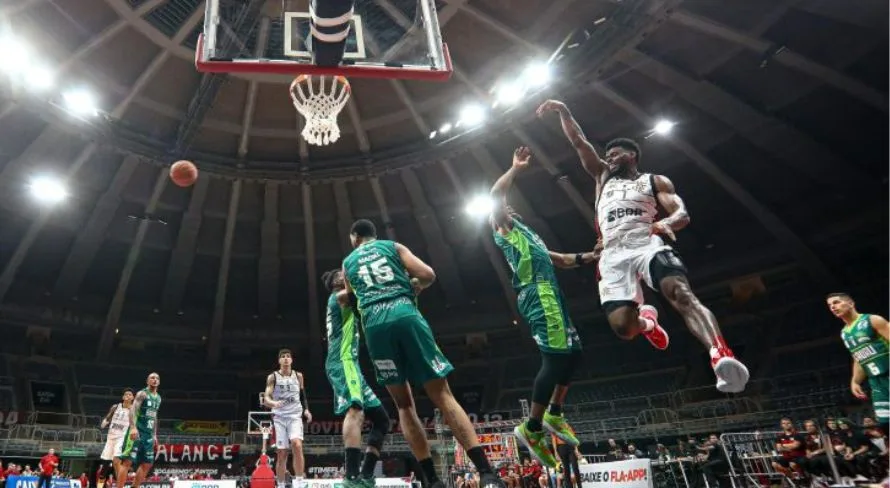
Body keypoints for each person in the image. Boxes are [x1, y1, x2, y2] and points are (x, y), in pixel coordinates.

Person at [537, 99, 749, 393]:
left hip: (646, 244)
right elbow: (578, 141)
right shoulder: (601, 176)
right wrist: (564, 111)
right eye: (607, 154)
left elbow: (682, 213)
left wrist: (665, 224)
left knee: (681, 294)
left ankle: (720, 355)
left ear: (632, 155)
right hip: (611, 255)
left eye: (615, 154)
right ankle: (648, 321)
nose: (609, 158)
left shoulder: (654, 181)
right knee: (624, 328)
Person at [341, 219, 506, 488]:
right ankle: (487, 474)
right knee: (442, 395)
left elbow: (350, 299)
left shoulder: (348, 263)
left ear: (354, 238)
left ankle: (431, 480)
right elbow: (428, 274)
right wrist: (414, 285)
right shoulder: (393, 246)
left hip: (375, 327)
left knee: (404, 405)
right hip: (404, 313)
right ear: (373, 235)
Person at [488, 146, 597, 467]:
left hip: (553, 295)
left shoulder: (529, 236)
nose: (508, 210)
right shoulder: (505, 231)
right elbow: (496, 193)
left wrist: (591, 256)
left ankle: (554, 413)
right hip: (537, 295)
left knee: (575, 353)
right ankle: (532, 427)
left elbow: (560, 260)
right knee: (555, 358)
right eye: (504, 211)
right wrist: (516, 168)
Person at [321, 269, 392, 488]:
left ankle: (366, 474)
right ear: (334, 284)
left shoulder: (346, 298)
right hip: (342, 362)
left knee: (382, 420)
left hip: (352, 363)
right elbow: (359, 294)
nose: (344, 276)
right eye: (339, 276)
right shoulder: (338, 298)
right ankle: (350, 478)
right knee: (356, 410)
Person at [827, 292, 889, 431]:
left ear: (851, 303)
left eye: (836, 302)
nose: (833, 307)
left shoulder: (872, 320)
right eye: (830, 305)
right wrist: (855, 381)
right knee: (885, 424)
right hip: (876, 381)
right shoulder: (844, 333)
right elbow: (858, 357)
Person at [262, 349, 312, 488]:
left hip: (295, 415)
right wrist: (273, 403)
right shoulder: (272, 377)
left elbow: (302, 394)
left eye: (288, 356)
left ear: (291, 360)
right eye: (283, 357)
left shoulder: (299, 376)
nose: (285, 359)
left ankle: (299, 482)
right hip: (279, 417)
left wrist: (307, 409)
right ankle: (281, 484)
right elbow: (266, 398)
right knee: (282, 453)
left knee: (297, 444)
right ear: (279, 361)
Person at [117, 373, 161, 488]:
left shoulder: (159, 398)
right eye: (152, 378)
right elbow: (133, 410)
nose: (155, 380)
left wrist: (155, 435)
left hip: (149, 435)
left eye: (157, 378)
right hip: (137, 432)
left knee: (147, 464)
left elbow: (154, 416)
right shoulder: (142, 394)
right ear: (147, 381)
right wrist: (132, 427)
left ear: (159, 382)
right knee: (127, 462)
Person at [101, 389, 134, 475]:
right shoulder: (115, 407)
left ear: (133, 397)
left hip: (121, 438)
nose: (128, 396)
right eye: (126, 394)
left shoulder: (133, 410)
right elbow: (108, 417)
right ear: (123, 397)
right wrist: (104, 422)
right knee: (105, 466)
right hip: (110, 438)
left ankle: (120, 484)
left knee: (116, 461)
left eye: (130, 394)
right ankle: (100, 486)